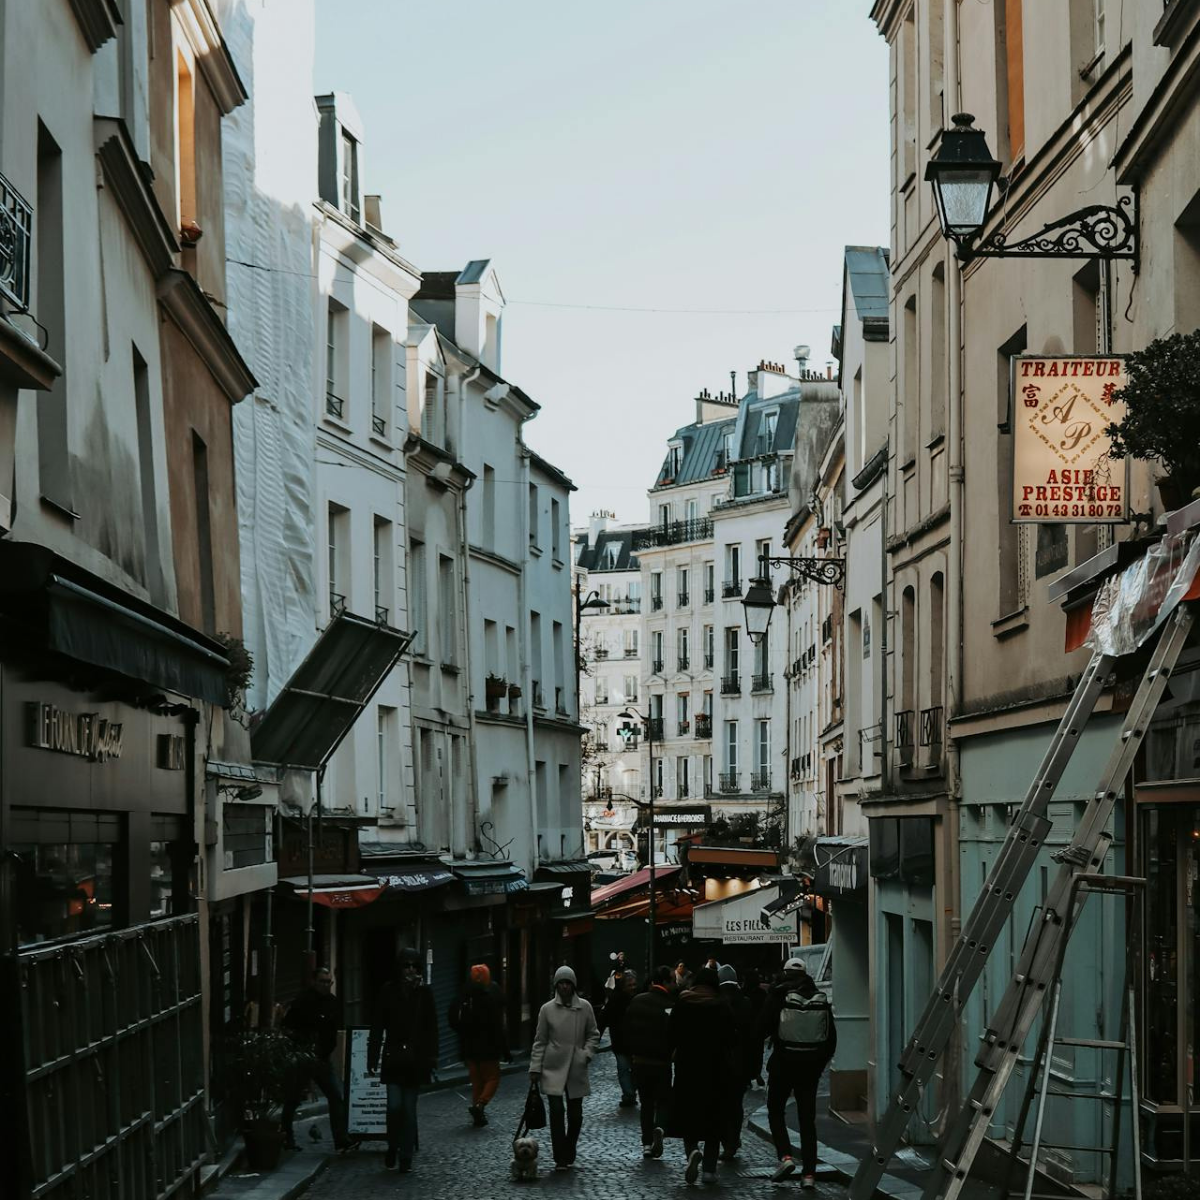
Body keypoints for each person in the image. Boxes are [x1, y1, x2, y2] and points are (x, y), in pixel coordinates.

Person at [760, 957, 836, 1187]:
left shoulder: (778, 995)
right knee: (807, 1120)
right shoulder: (818, 997)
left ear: (784, 972)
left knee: (775, 1110)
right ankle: (809, 1175)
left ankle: (785, 1156)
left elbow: (761, 1026)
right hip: (809, 1068)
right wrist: (818, 1065)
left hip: (783, 1063)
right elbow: (830, 1039)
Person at [367, 947, 438, 1172]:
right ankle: (392, 1145)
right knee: (394, 1106)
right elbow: (378, 1024)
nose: (410, 970)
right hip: (394, 1057)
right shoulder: (388, 991)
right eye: (406, 965)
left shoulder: (424, 993)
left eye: (414, 966)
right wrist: (372, 1055)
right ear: (399, 968)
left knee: (409, 1109)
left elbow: (431, 1027)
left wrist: (432, 1057)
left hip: (416, 1059)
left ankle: (405, 1155)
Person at [670, 966, 738, 1186]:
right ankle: (709, 1169)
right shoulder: (721, 1005)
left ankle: (691, 1152)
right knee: (714, 1118)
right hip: (716, 1069)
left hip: (687, 1067)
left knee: (689, 1114)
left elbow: (671, 1032)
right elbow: (730, 1037)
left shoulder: (683, 1002)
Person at [529, 965, 600, 1170]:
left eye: (568, 983)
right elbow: (540, 1040)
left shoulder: (584, 1007)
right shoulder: (547, 1009)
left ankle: (570, 1147)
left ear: (574, 985)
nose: (565, 987)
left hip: (576, 1066)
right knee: (557, 1111)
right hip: (553, 1066)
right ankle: (560, 1155)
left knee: (576, 1115)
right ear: (556, 985)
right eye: (561, 983)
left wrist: (586, 1054)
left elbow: (593, 1033)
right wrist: (535, 1068)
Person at [280, 966, 349, 1151]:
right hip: (304, 1056)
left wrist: (327, 1048)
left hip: (322, 1058)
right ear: (314, 981)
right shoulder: (303, 1000)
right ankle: (287, 1137)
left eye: (329, 981)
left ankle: (341, 1138)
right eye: (322, 981)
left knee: (335, 1096)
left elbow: (333, 1028)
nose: (326, 985)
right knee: (293, 1098)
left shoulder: (333, 1002)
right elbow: (288, 1026)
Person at [621, 963, 675, 1158]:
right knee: (662, 1100)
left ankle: (646, 1142)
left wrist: (631, 1053)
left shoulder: (637, 1001)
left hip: (640, 1062)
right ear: (666, 982)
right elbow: (674, 1033)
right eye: (673, 981)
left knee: (646, 1102)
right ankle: (659, 1127)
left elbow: (626, 1029)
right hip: (661, 1062)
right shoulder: (670, 1004)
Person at [449, 963, 507, 1127]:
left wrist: (463, 1033)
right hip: (488, 1047)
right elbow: (497, 1025)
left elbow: (452, 1016)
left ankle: (478, 1114)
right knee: (492, 1078)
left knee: (477, 1081)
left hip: (469, 1047)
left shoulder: (464, 995)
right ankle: (480, 1104)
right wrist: (504, 1049)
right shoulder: (489, 996)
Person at [716, 964, 757, 1160]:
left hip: (721, 1062)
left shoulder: (716, 1002)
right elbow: (752, 1038)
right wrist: (753, 1068)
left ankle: (727, 1141)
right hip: (740, 1063)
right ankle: (733, 1139)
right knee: (736, 1104)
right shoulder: (746, 1003)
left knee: (722, 1104)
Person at [600, 969, 637, 1106]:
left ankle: (631, 1091)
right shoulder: (615, 999)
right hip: (620, 1041)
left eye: (634, 984)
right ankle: (629, 1094)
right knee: (623, 1069)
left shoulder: (638, 998)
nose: (633, 987)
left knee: (634, 1069)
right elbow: (604, 1018)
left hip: (634, 1042)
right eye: (630, 985)